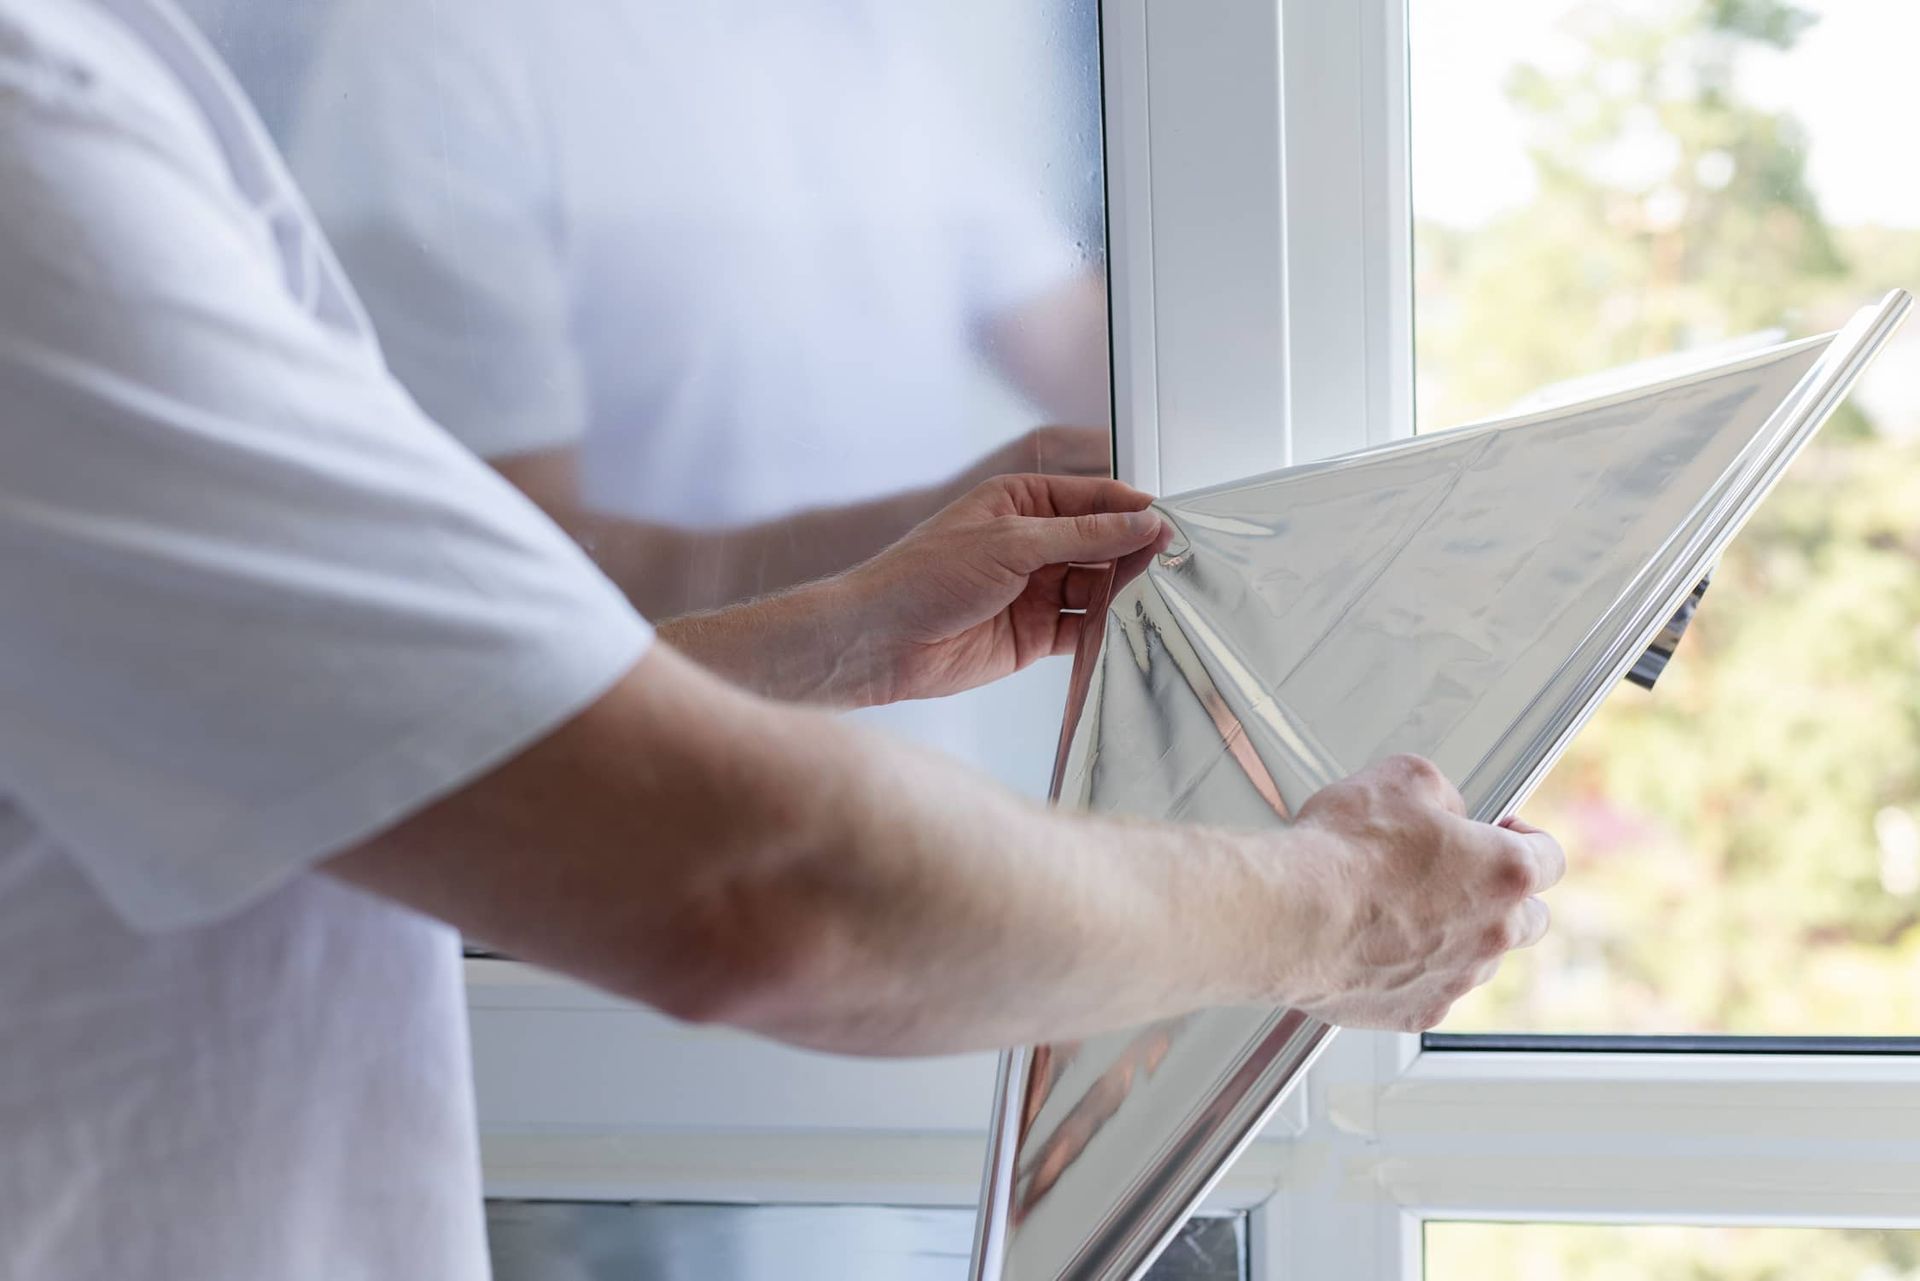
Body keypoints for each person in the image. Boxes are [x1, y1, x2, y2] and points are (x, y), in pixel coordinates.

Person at [0, 3, 1563, 1280]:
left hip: (898, 942)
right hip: (678, 1010)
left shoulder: (834, 45)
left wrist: (833, 633)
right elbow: (750, 892)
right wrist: (1333, 909)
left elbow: (354, 686)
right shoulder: (81, 130)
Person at [282, 0, 1114, 783]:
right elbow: (508, 578)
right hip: (637, 830)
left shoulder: (847, 36)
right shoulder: (432, 50)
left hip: (919, 812)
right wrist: (944, 534)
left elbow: (1075, 338)